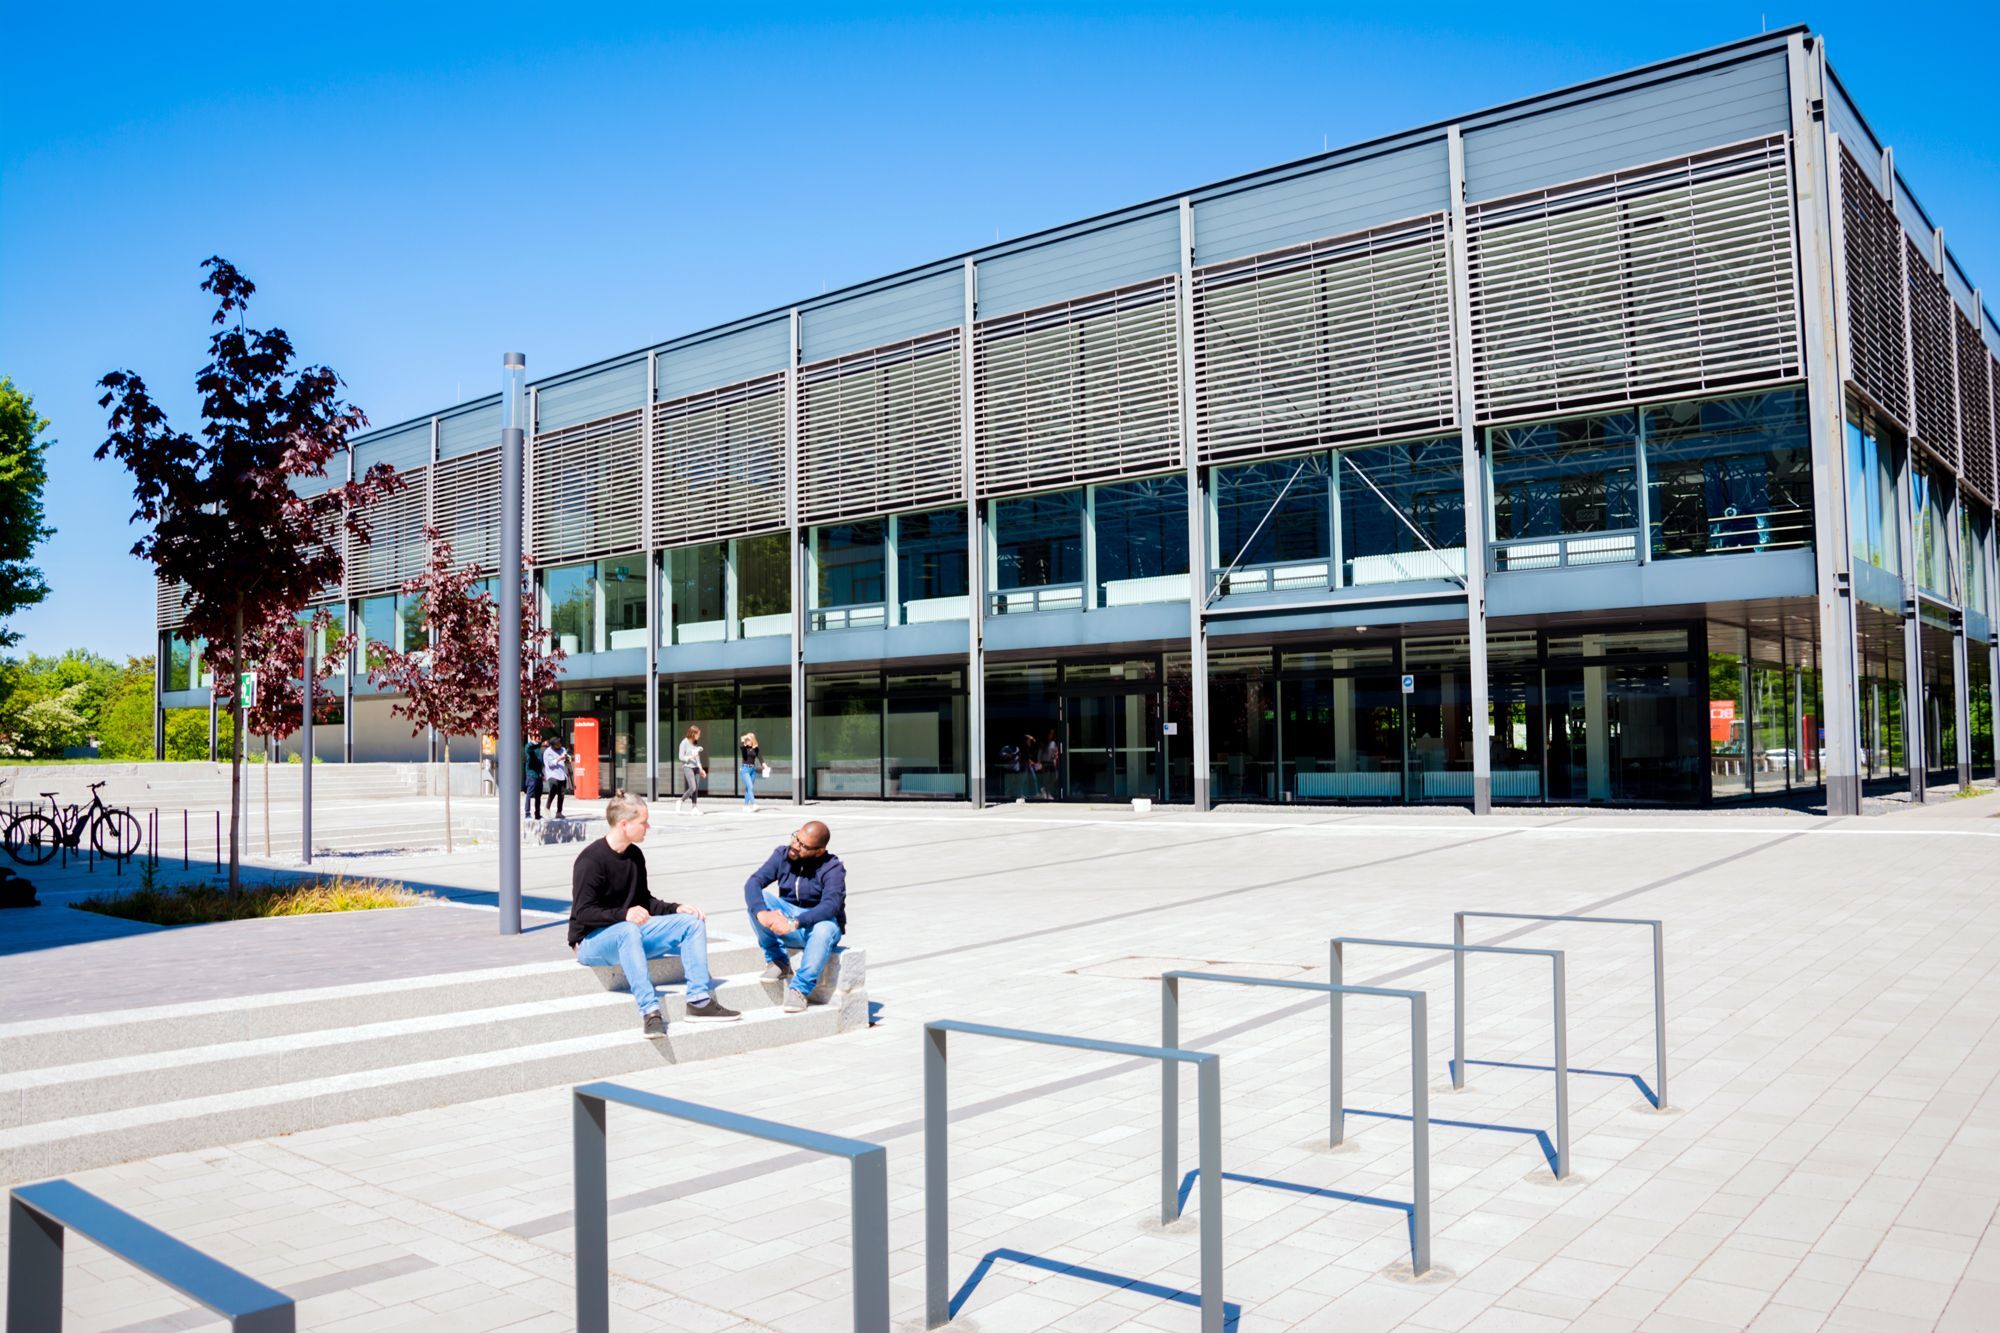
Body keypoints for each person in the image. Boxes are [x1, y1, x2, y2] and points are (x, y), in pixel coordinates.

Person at [571, 792, 740, 1036]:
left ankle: (699, 1001)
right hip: (592, 942)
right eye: (644, 822)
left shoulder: (635, 855)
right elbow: (583, 913)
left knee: (691, 923)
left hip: (628, 934)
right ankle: (650, 1012)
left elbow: (644, 901)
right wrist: (624, 914)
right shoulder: (591, 861)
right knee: (628, 930)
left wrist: (675, 908)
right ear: (624, 824)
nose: (648, 827)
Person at [743, 820, 846, 1014]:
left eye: (803, 846)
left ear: (819, 851)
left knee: (824, 928)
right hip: (790, 919)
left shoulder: (832, 867)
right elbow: (753, 882)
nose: (795, 846)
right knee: (760, 899)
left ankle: (800, 988)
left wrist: (795, 923)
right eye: (796, 838)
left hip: (819, 925)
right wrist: (762, 913)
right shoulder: (782, 854)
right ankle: (778, 960)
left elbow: (830, 906)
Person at [676, 725, 706, 813]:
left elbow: (697, 758)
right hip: (687, 767)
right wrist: (690, 757)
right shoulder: (684, 743)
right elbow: (681, 757)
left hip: (696, 768)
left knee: (696, 788)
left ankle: (694, 807)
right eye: (698, 734)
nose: (699, 736)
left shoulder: (695, 743)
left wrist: (701, 769)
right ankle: (680, 801)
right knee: (693, 787)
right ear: (693, 733)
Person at [541, 731, 571, 819]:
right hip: (552, 774)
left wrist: (568, 758)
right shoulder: (548, 752)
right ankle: (547, 807)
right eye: (558, 744)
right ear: (553, 745)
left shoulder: (562, 749)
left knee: (561, 793)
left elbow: (566, 756)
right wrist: (558, 759)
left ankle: (559, 812)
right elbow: (550, 764)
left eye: (560, 743)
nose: (560, 745)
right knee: (553, 789)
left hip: (562, 774)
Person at [740, 732, 764, 811]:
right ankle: (754, 804)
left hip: (753, 770)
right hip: (745, 770)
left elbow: (760, 757)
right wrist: (744, 741)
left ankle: (745, 806)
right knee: (750, 787)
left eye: (749, 740)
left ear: (752, 740)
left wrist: (764, 765)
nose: (747, 741)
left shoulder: (756, 749)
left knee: (748, 788)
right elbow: (744, 755)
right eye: (746, 740)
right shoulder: (744, 748)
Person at [523, 734, 545, 820]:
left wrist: (542, 774)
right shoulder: (529, 746)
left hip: (538, 775)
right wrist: (540, 744)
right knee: (529, 794)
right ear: (532, 737)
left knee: (538, 796)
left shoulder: (538, 748)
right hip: (531, 775)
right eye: (537, 736)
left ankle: (537, 814)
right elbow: (529, 749)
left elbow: (539, 763)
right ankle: (527, 813)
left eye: (540, 735)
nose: (540, 737)